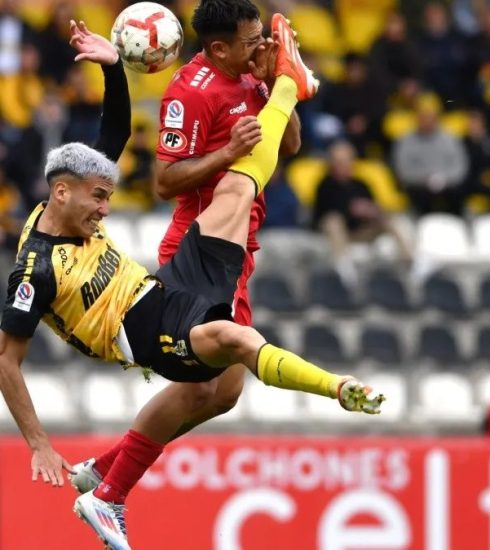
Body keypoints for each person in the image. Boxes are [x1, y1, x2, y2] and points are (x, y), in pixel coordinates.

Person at [0, 15, 384, 550]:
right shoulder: (34, 270)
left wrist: (114, 70)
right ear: (63, 193)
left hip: (157, 294)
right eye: (98, 200)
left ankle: (107, 472)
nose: (104, 210)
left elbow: (111, 135)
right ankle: (337, 387)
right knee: (236, 341)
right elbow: (5, 359)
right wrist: (38, 444)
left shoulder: (62, 203)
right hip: (138, 329)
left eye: (105, 197)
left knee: (224, 381)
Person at [145, 0, 302, 469]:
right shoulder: (191, 94)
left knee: (226, 389)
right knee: (209, 385)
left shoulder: (252, 75)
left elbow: (289, 144)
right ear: (219, 47)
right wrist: (227, 152)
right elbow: (163, 182)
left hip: (238, 246)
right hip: (201, 247)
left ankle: (109, 471)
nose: (261, 48)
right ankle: (110, 480)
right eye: (251, 42)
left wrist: (276, 80)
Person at [312, 140, 413, 283]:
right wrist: (351, 209)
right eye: (339, 161)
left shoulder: (361, 184)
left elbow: (373, 206)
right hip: (340, 233)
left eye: (347, 160)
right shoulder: (325, 185)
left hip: (362, 229)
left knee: (394, 220)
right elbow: (323, 211)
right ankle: (344, 270)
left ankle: (409, 263)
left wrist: (371, 211)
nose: (343, 165)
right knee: (333, 222)